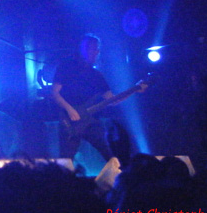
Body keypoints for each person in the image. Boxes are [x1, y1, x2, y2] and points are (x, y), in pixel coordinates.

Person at [51, 34, 140, 162]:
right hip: (69, 121)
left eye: (98, 49)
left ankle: (119, 178)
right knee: (65, 161)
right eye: (94, 48)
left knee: (112, 156)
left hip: (90, 122)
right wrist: (70, 109)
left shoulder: (97, 75)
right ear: (84, 49)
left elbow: (112, 100)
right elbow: (54, 93)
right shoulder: (66, 67)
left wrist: (135, 89)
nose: (97, 52)